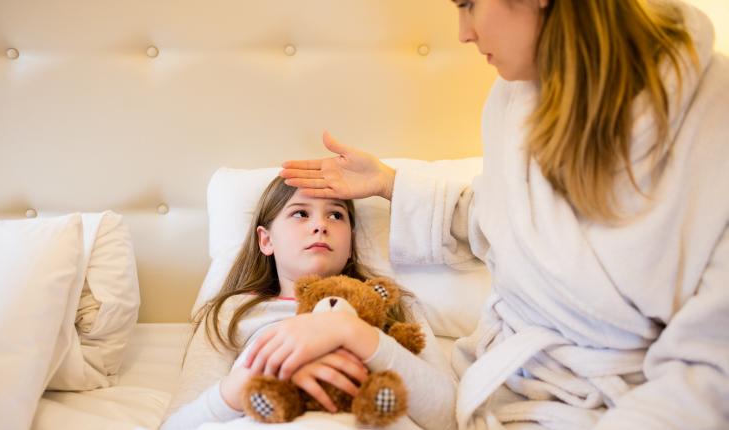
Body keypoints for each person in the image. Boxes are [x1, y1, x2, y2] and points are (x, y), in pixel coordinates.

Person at [277, 0, 729, 428]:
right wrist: (388, 183)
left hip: (636, 403)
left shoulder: (710, 118)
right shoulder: (514, 100)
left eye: (468, 4)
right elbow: (507, 225)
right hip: (504, 387)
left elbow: (714, 363)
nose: (463, 33)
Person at [160, 176, 457, 430]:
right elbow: (176, 424)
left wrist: (353, 332)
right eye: (300, 213)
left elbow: (450, 416)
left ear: (350, 244)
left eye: (336, 215)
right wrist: (261, 377)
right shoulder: (233, 312)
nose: (320, 225)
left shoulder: (390, 307)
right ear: (266, 241)